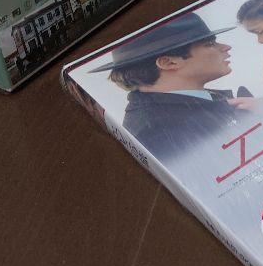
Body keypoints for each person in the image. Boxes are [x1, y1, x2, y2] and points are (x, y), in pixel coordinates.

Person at [95, 13, 253, 161]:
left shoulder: (181, 109)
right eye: (210, 44)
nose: (226, 47)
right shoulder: (155, 134)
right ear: (168, 62)